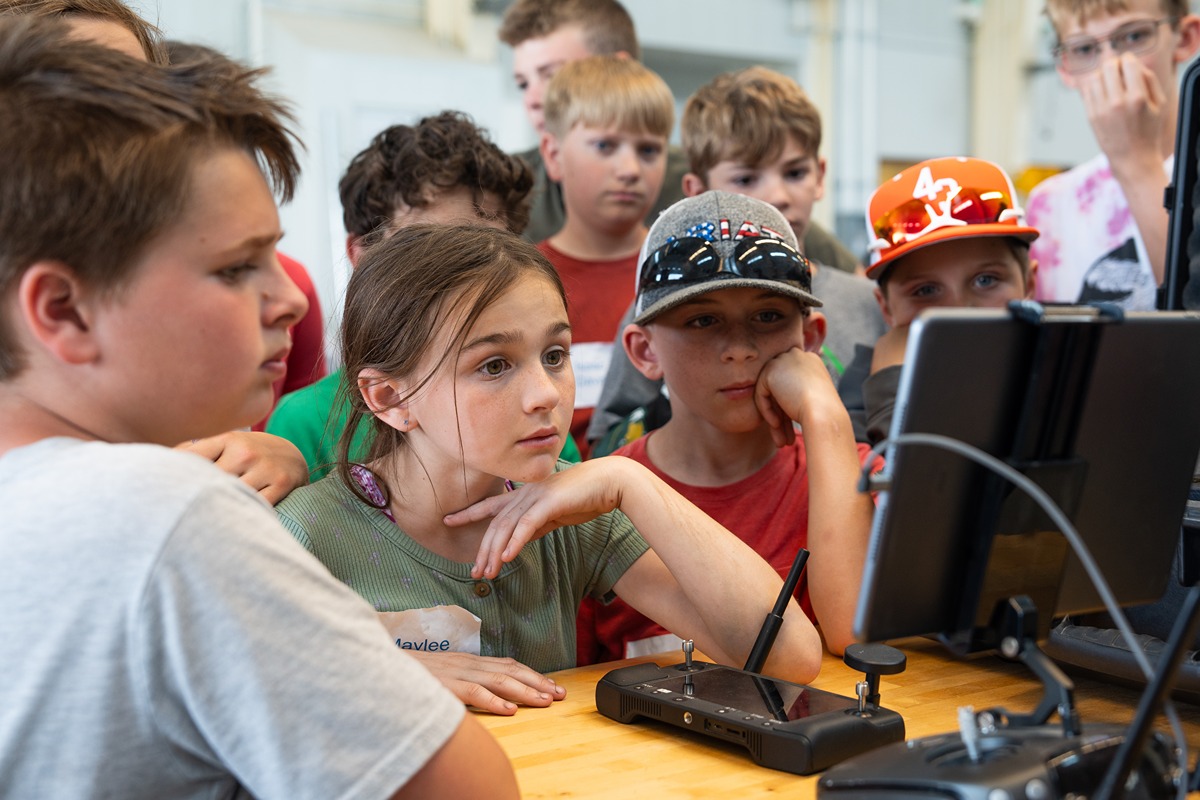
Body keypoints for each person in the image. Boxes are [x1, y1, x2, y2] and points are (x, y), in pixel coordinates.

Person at [0, 17, 515, 797]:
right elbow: (466, 789)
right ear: (65, 310)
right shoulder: (167, 516)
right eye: (237, 267)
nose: (286, 299)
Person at [274, 223, 824, 713]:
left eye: (555, 355)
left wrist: (630, 481)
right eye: (494, 365)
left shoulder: (567, 509)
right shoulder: (304, 536)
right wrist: (379, 669)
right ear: (390, 397)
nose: (545, 394)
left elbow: (787, 659)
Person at [0, 0, 312, 504]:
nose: (121, 128)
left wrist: (288, 454)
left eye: (137, 92)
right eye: (76, 98)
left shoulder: (274, 286)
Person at [576, 191, 879, 664]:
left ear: (811, 338)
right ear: (644, 352)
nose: (739, 348)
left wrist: (824, 412)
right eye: (703, 319)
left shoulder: (849, 471)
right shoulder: (594, 504)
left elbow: (854, 636)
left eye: (767, 316)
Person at [266, 110, 580, 480]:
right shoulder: (306, 421)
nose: (469, 277)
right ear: (362, 256)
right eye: (428, 249)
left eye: (489, 246)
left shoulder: (537, 405)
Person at [588, 66, 887, 454]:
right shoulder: (658, 305)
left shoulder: (869, 302)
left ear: (820, 176)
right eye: (746, 179)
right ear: (696, 190)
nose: (778, 195)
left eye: (795, 172)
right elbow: (612, 436)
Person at [496, 0, 861, 273]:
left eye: (553, 76)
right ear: (553, 154)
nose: (534, 98)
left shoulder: (707, 182)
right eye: (523, 82)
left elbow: (809, 244)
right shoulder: (505, 188)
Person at [165, 40, 328, 430]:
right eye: (235, 268)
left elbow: (305, 415)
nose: (291, 302)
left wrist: (288, 454)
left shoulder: (295, 282)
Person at [535, 54, 673, 457]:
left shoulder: (689, 271)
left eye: (648, 150)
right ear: (553, 154)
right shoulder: (517, 278)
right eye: (605, 146)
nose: (630, 168)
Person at [851, 156, 1040, 443]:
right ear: (885, 308)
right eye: (925, 291)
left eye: (985, 280)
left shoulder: (1070, 374)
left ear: (1028, 284)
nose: (960, 311)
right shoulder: (854, 402)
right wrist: (892, 393)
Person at [1027, 0, 1200, 309]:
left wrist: (1135, 162)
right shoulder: (1049, 206)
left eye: (1133, 37)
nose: (1111, 66)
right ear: (1065, 67)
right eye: (1084, 49)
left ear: (1185, 38)